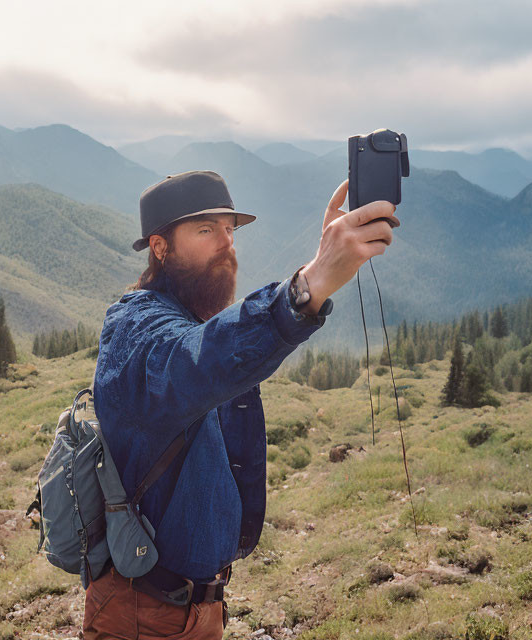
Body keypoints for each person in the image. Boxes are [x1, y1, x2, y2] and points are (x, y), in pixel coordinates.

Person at [84, 170, 398, 639]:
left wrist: (320, 266)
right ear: (160, 247)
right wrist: (309, 284)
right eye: (206, 230)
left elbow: (215, 344)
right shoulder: (135, 326)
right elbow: (194, 361)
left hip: (198, 609)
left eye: (230, 230)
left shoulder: (193, 318)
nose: (226, 243)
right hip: (140, 614)